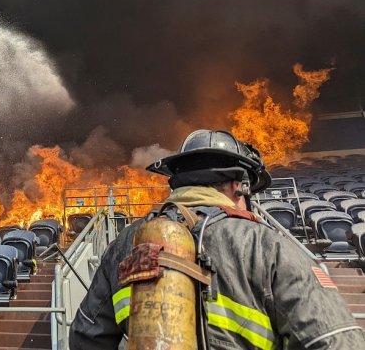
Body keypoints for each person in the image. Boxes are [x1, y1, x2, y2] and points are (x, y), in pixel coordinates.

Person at [69, 129, 365, 350]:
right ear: (239, 187)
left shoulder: (125, 243)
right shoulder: (267, 246)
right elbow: (335, 340)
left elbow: (85, 336)